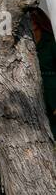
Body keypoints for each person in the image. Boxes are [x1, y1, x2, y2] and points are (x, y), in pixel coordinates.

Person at [31, 8, 56, 139]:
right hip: (37, 97)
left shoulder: (51, 43)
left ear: (36, 23)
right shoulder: (26, 44)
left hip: (53, 95)